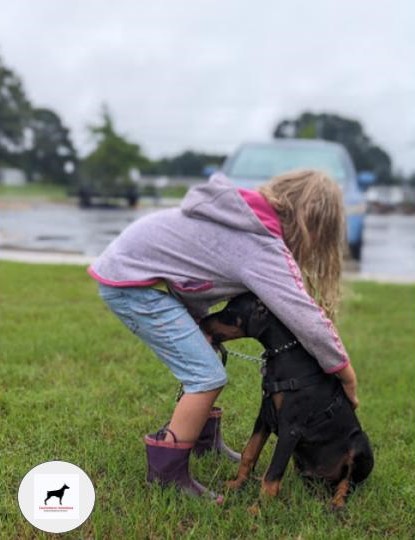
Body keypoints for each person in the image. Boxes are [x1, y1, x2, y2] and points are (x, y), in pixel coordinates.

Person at [88, 170, 358, 502]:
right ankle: (166, 475)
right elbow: (304, 316)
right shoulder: (259, 244)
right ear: (311, 223)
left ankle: (203, 443)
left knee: (204, 359)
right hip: (133, 286)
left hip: (128, 271)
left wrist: (199, 323)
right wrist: (344, 372)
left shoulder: (242, 219)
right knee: (206, 376)